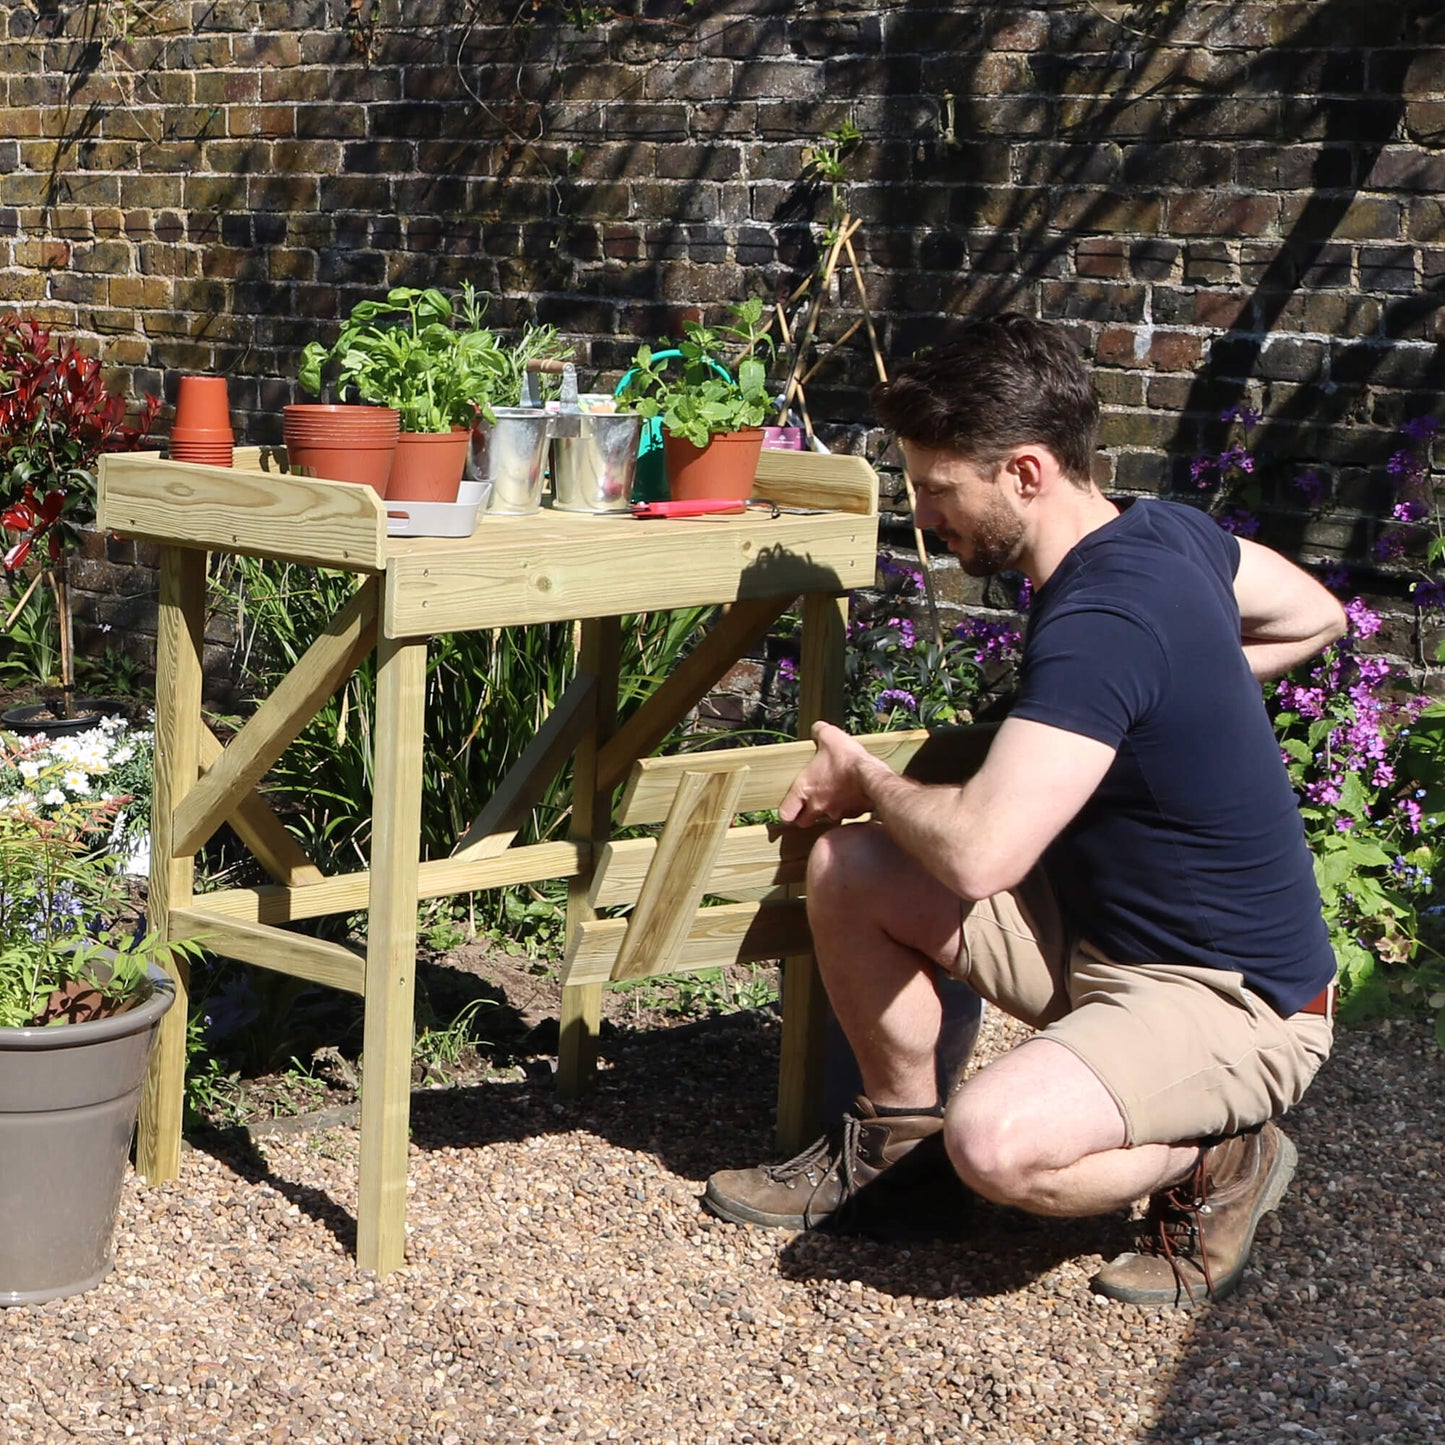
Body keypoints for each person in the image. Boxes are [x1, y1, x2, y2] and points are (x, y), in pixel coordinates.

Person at [703, 315, 1346, 1307]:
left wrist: (866, 776)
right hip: (1096, 930)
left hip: (1233, 999)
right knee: (852, 869)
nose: (922, 513)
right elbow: (1314, 614)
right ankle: (891, 1159)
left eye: (936, 485)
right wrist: (1168, 701)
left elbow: (977, 858)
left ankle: (1222, 1154)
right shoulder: (1161, 529)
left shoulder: (1102, 621)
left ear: (1026, 471)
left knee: (997, 1145)